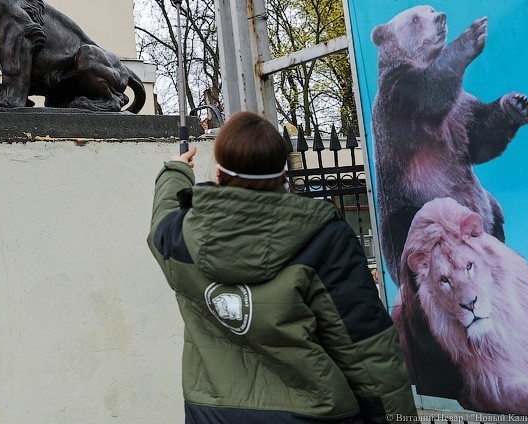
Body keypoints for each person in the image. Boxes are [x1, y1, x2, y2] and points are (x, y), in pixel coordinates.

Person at [149, 111, 417, 423]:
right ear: (283, 174)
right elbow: (368, 351)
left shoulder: (179, 237)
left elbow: (161, 219)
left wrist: (175, 172)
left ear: (219, 175)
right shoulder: (324, 237)